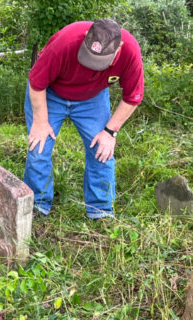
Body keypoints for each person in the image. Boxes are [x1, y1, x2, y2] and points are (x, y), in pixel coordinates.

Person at [24, 19, 144, 219]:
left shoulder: (130, 52)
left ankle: (100, 210)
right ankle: (37, 204)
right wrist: (41, 122)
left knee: (102, 150)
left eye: (100, 61)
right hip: (51, 94)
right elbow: (36, 83)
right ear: (87, 36)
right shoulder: (65, 42)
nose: (92, 66)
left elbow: (133, 97)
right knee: (39, 147)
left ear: (119, 48)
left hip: (92, 99)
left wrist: (110, 132)